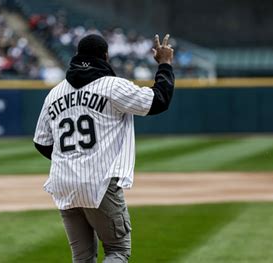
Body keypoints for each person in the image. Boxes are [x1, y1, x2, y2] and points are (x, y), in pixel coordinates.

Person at [33, 33, 174, 263]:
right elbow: (159, 100)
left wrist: (72, 161)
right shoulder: (112, 86)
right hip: (99, 183)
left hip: (63, 184)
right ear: (106, 57)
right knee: (117, 251)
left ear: (76, 56)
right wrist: (165, 64)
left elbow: (41, 142)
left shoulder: (54, 94)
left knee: (82, 258)